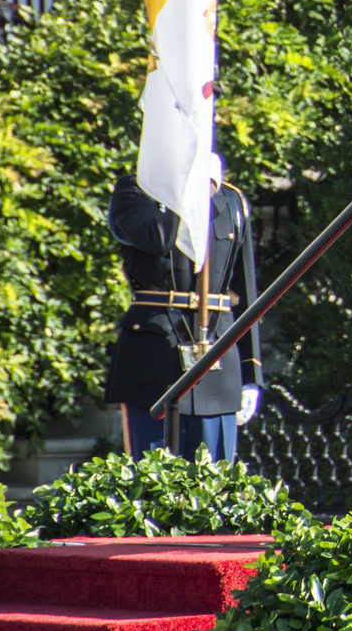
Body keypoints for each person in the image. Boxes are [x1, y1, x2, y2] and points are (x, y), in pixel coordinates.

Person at [104, 160, 261, 461]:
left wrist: (251, 372)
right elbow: (157, 238)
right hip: (154, 355)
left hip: (217, 354)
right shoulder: (137, 189)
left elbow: (244, 290)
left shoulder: (231, 199)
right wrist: (192, 191)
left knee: (215, 477)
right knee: (151, 476)